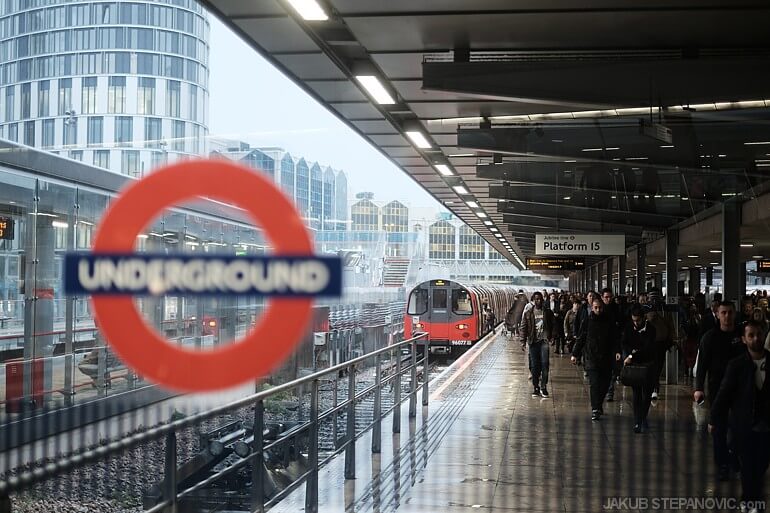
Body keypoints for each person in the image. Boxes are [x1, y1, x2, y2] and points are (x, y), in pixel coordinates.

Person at [710, 321, 770, 513]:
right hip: (744, 425)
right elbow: (724, 394)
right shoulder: (737, 365)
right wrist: (714, 419)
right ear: (744, 339)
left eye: (759, 334)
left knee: (761, 464)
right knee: (748, 465)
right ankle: (750, 501)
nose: (756, 339)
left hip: (767, 425)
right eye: (751, 335)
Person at [695, 301, 746, 482]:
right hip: (718, 388)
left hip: (741, 388)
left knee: (741, 427)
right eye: (723, 313)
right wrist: (699, 387)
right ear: (717, 314)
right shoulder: (710, 337)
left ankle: (733, 453)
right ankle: (722, 464)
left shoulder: (742, 335)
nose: (727, 316)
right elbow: (702, 365)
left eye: (730, 312)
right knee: (719, 429)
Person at [571, 297, 621, 421]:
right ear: (592, 308)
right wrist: (575, 354)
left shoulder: (609, 321)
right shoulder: (587, 321)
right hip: (591, 358)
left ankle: (598, 405)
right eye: (595, 307)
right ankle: (595, 409)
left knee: (604, 384)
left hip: (606, 358)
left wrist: (617, 351)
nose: (598, 310)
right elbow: (581, 338)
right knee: (594, 384)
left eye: (600, 308)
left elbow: (615, 338)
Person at [621, 305, 657, 433]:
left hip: (648, 365)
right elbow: (624, 342)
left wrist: (632, 355)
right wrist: (628, 354)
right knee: (636, 394)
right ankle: (638, 421)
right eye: (634, 320)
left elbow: (648, 348)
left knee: (646, 394)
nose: (636, 323)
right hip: (635, 366)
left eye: (638, 320)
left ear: (643, 319)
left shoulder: (651, 330)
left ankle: (643, 417)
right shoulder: (629, 328)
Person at [521, 291, 555, 398]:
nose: (538, 301)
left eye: (540, 299)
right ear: (533, 300)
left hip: (544, 342)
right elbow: (523, 327)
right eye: (536, 299)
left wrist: (553, 336)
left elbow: (554, 325)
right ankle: (536, 387)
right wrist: (522, 341)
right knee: (535, 366)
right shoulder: (528, 313)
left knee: (545, 364)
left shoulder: (548, 312)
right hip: (533, 342)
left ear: (543, 300)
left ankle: (543, 387)